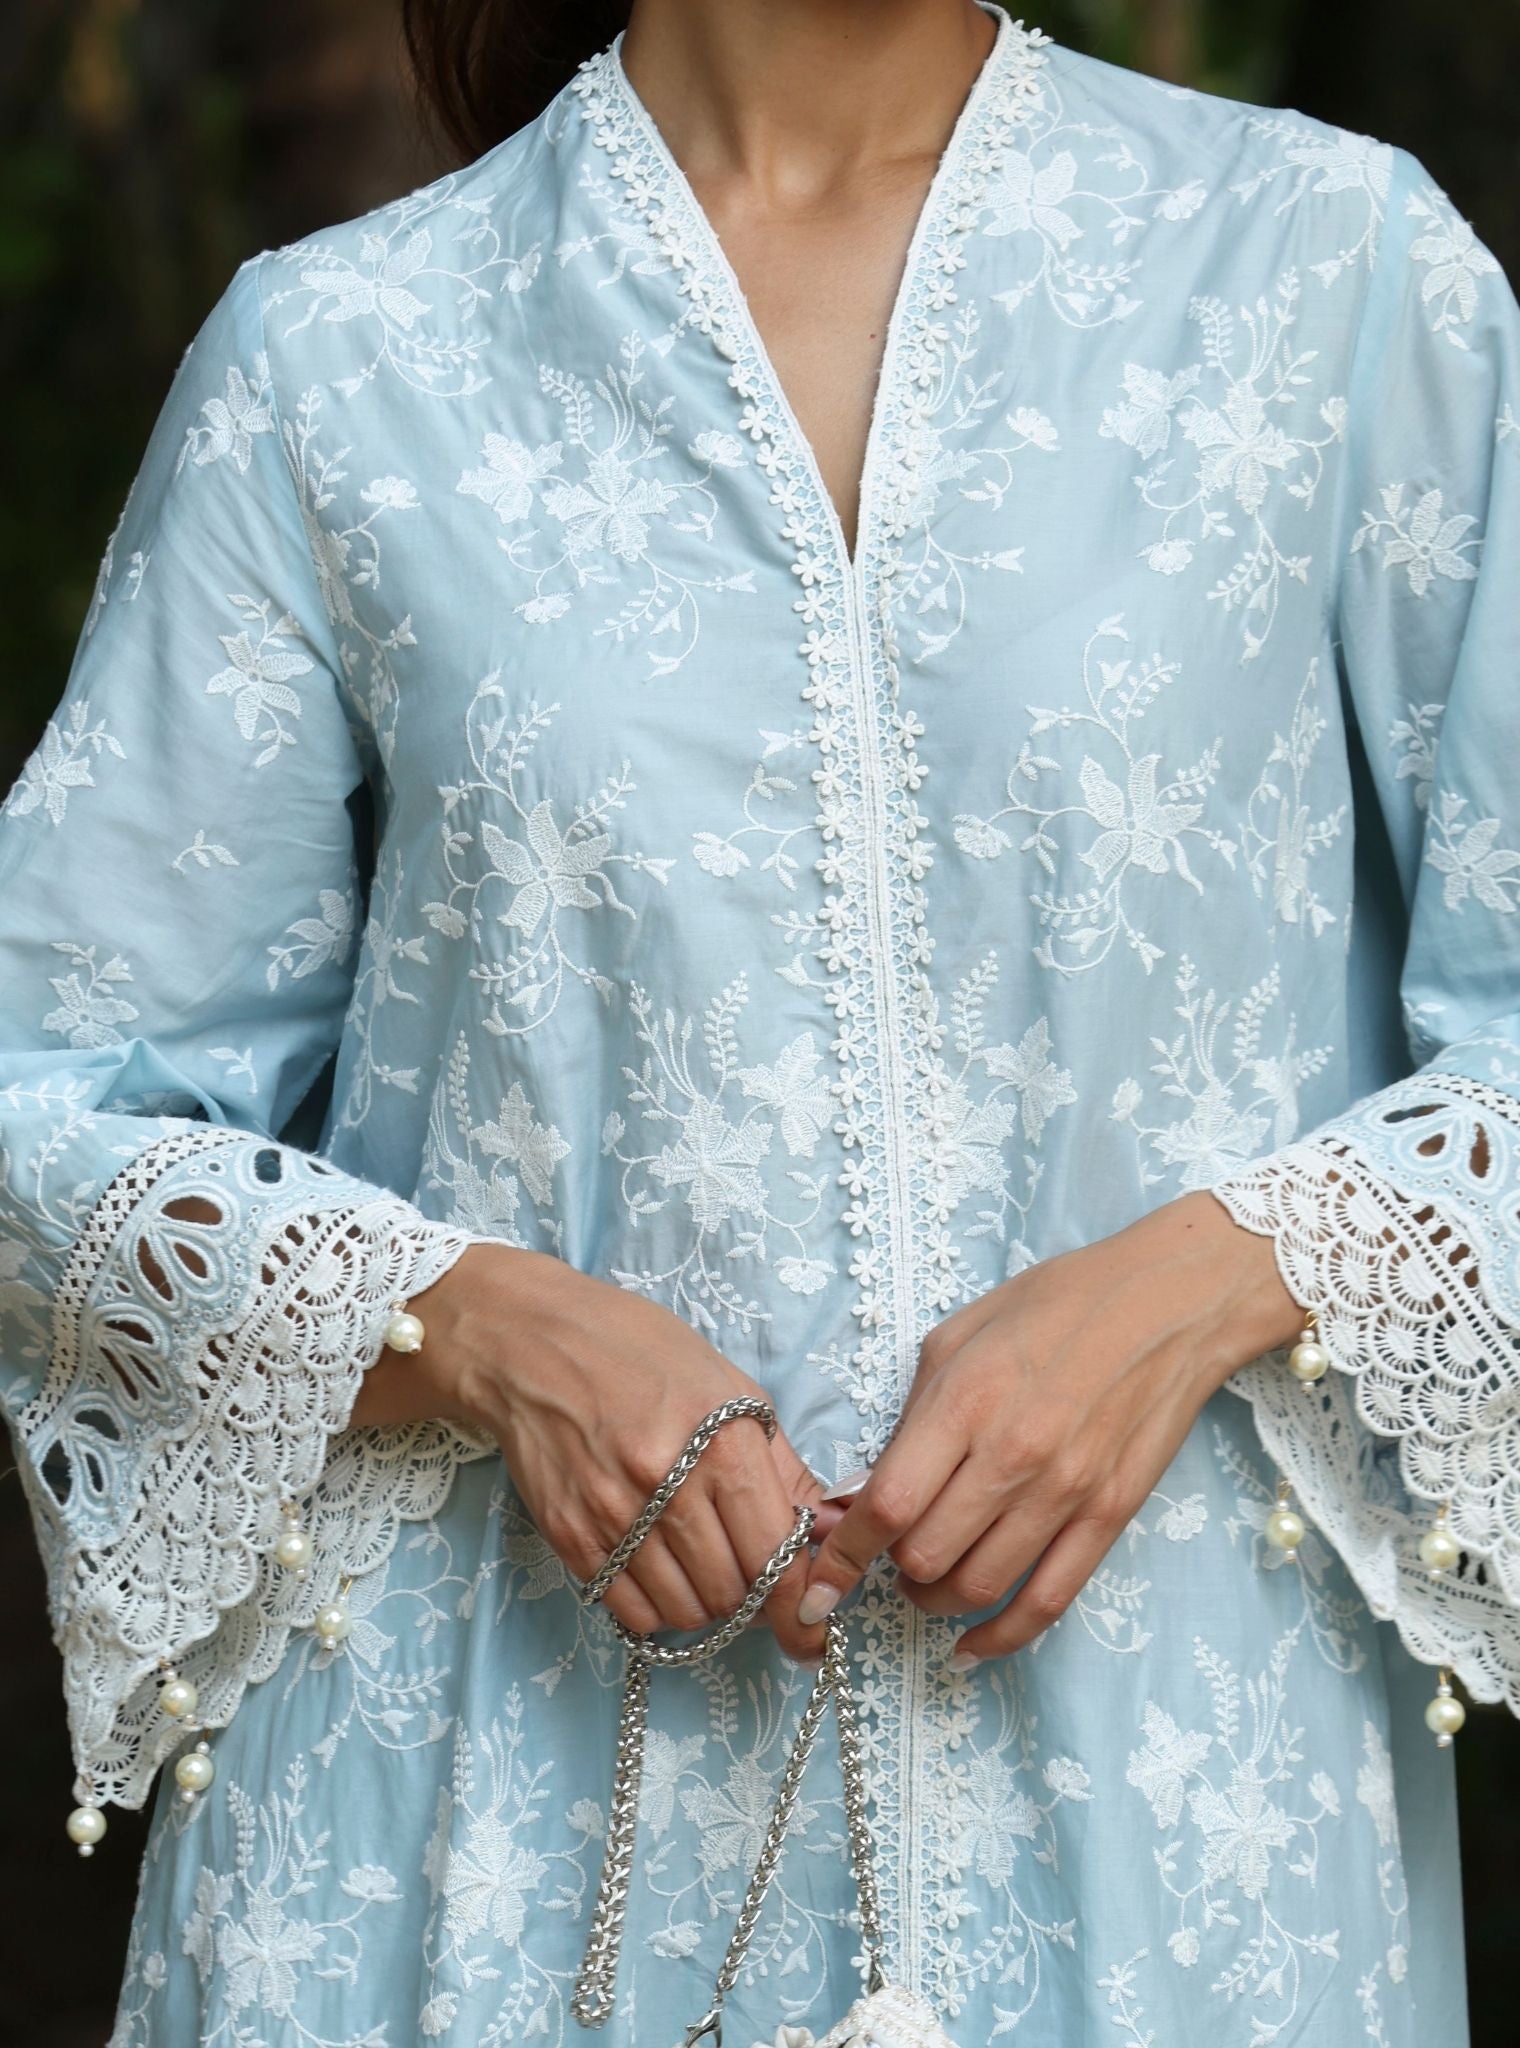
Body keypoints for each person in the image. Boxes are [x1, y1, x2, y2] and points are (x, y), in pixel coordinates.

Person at [2, 0, 1515, 2039]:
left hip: (1179, 1836)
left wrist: (1197, 1284)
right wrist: (477, 1327)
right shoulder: (343, 357)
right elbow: (46, 1095)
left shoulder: (1327, 272)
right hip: (477, 1838)